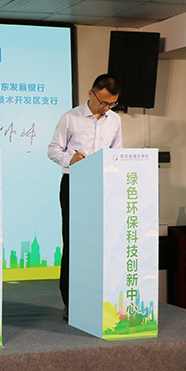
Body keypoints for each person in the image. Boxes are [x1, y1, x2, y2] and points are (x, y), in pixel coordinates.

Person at [47, 74, 122, 319]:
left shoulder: (115, 120)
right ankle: (71, 302)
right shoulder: (70, 118)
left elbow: (117, 153)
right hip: (75, 184)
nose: (106, 107)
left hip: (102, 187)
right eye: (103, 102)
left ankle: (98, 299)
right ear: (91, 93)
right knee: (74, 243)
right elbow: (52, 150)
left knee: (101, 243)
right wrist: (69, 159)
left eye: (112, 104)